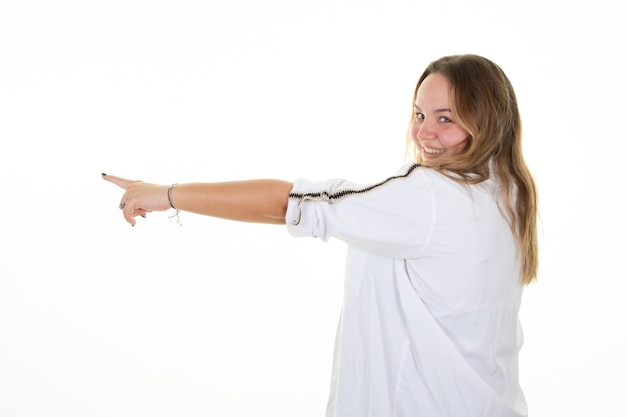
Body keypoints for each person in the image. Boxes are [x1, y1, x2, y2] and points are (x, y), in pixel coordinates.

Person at [103, 54, 538, 417]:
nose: (425, 133)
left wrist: (167, 194)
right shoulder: (507, 192)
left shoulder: (430, 198)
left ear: (486, 122)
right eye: (420, 114)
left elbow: (287, 203)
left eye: (446, 119)